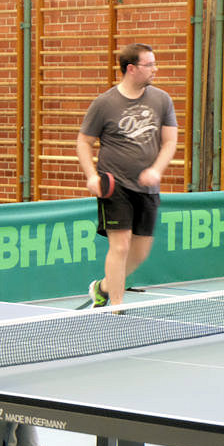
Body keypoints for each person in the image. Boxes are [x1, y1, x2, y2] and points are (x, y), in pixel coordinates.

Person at [77, 43, 178, 307]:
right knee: (120, 246)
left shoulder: (162, 100)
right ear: (131, 69)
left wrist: (156, 170)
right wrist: (91, 176)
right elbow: (84, 142)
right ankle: (116, 308)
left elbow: (170, 141)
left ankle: (103, 287)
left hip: (147, 188)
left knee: (140, 252)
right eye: (149, 64)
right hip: (115, 185)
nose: (155, 69)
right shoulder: (105, 103)